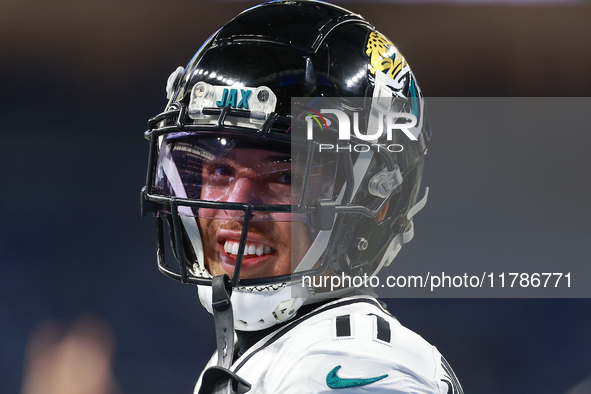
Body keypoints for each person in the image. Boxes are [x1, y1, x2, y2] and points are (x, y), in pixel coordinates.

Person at [141, 1, 463, 393]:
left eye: (285, 176)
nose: (235, 206)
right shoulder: (275, 353)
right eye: (221, 170)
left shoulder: (351, 365)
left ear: (376, 203)